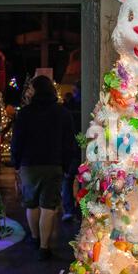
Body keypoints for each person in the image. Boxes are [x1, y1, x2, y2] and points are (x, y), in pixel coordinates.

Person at [11, 75, 76, 260]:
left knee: (31, 204)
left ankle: (34, 237)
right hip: (54, 164)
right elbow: (69, 142)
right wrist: (65, 165)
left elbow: (17, 141)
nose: (29, 92)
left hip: (29, 165)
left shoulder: (24, 114)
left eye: (31, 88)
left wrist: (16, 164)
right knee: (48, 206)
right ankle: (44, 247)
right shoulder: (63, 113)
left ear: (36, 91)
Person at [61, 82, 81, 222]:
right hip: (80, 147)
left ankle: (69, 210)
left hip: (70, 148)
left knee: (67, 179)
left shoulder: (66, 109)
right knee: (81, 180)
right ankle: (79, 210)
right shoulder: (86, 105)